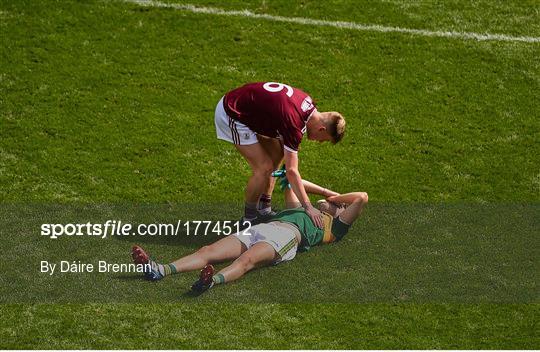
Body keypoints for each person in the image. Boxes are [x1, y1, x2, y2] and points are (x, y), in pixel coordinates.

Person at [131, 175, 368, 294]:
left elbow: (362, 197)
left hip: (285, 239)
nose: (326, 201)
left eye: (336, 204)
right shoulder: (302, 208)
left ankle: (210, 281)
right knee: (207, 251)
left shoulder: (335, 228)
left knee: (246, 261)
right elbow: (289, 179)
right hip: (262, 229)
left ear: (341, 212)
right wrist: (315, 203)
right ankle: (159, 269)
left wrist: (334, 200)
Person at [214, 81, 346, 227]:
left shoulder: (308, 105)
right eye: (324, 140)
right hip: (232, 112)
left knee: (278, 154)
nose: (320, 142)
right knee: (264, 167)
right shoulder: (294, 125)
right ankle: (249, 219)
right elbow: (291, 172)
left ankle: (264, 208)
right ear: (322, 129)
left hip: (245, 104)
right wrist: (308, 207)